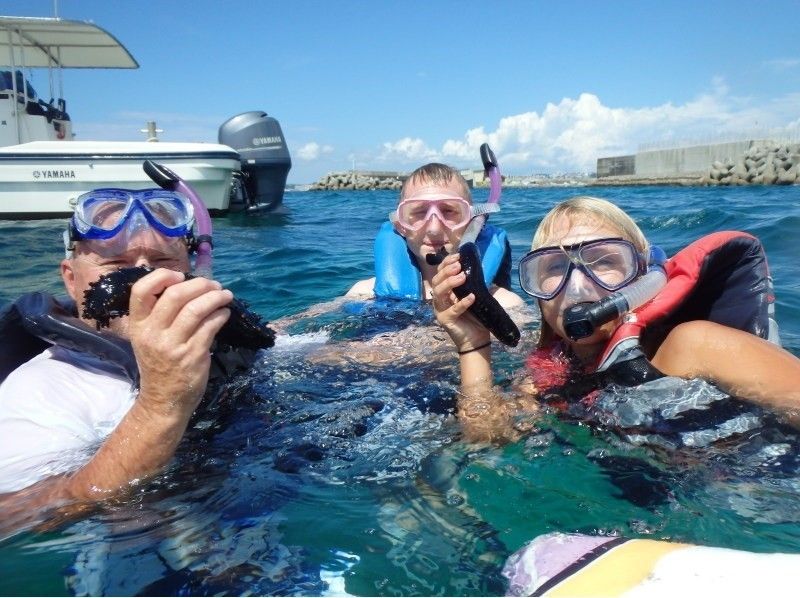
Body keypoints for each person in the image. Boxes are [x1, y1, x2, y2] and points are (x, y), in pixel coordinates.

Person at [431, 195, 800, 442]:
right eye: (552, 268)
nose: (576, 287)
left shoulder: (694, 345)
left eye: (605, 261)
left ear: (642, 276)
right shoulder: (551, 374)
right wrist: (472, 345)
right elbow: (486, 438)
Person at [0, 188, 237, 522]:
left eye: (163, 262)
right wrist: (160, 403)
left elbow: (288, 348)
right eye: (115, 263)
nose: (143, 278)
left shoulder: (206, 341)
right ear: (71, 279)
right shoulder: (42, 389)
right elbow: (15, 515)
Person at [346, 162, 523, 310]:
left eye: (449, 211)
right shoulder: (362, 295)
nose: (434, 229)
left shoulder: (505, 306)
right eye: (419, 212)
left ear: (470, 222)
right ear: (400, 225)